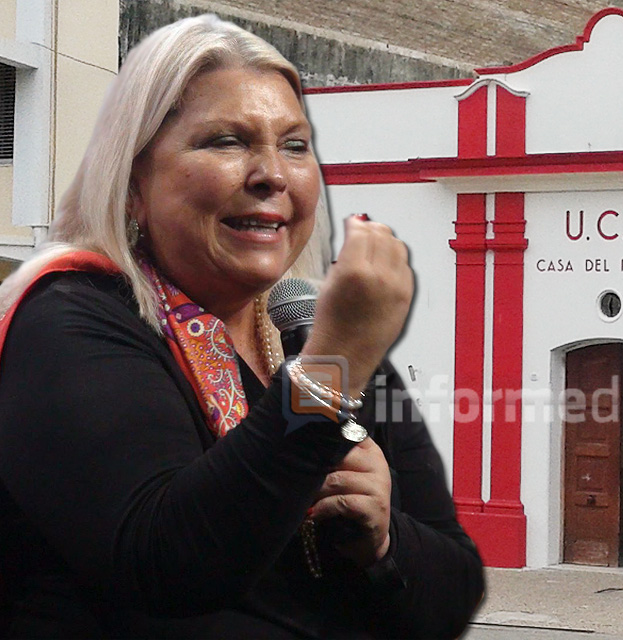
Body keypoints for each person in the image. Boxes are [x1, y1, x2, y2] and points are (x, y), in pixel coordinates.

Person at [0, 14, 484, 639]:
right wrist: (326, 377)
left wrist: (386, 539)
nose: (272, 175)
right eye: (227, 142)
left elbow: (454, 594)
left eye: (295, 145)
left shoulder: (312, 330)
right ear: (133, 182)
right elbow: (167, 566)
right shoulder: (71, 319)